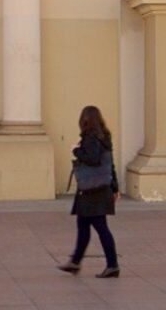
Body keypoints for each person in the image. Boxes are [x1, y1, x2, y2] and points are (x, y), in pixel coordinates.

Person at [60, 104, 119, 278]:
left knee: (101, 227)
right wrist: (114, 187)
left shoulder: (90, 137)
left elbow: (92, 159)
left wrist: (76, 150)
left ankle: (113, 265)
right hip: (100, 189)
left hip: (92, 191)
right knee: (83, 225)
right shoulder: (104, 137)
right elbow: (110, 165)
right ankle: (75, 262)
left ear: (85, 120)